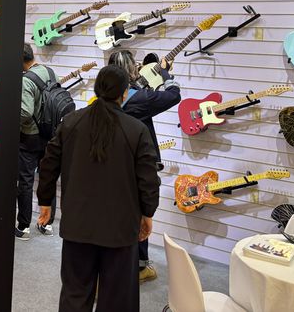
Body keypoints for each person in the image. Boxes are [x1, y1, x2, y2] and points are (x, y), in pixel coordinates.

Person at [36, 65, 160, 312]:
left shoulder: (71, 122)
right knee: (117, 299)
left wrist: (45, 201)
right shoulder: (137, 129)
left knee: (75, 293)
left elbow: (48, 164)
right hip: (120, 228)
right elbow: (148, 179)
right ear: (124, 93)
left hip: (77, 224)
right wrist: (148, 213)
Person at [108, 49, 181, 283]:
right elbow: (173, 95)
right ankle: (138, 267)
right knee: (140, 216)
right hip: (137, 167)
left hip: (113, 164)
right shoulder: (139, 99)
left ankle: (125, 263)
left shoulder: (107, 97)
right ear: (130, 69)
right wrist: (166, 74)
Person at [17, 43, 56, 240]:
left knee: (26, 180)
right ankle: (46, 224)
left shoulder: (26, 80)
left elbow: (25, 113)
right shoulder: (49, 72)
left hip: (30, 136)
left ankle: (23, 226)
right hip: (51, 133)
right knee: (48, 178)